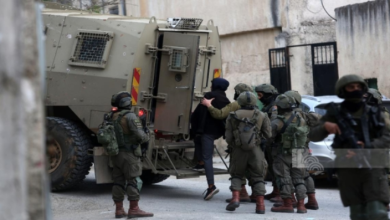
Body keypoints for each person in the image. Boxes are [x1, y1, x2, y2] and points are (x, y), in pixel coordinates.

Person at [309, 74, 390, 220]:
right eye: (351, 87)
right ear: (342, 90)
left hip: (373, 165)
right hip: (348, 167)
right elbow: (313, 135)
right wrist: (325, 127)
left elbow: (387, 137)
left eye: (359, 87)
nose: (355, 90)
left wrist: (368, 146)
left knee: (378, 213)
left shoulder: (375, 113)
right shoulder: (334, 113)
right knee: (358, 214)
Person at [201, 83, 258, 203]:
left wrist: (208, 105)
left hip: (238, 144)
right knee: (254, 170)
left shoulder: (236, 105)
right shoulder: (256, 108)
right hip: (254, 144)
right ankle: (258, 198)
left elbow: (220, 114)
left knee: (237, 169)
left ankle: (241, 195)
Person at [225, 92, 272, 214]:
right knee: (258, 176)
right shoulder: (262, 115)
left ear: (239, 102)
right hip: (256, 151)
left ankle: (235, 198)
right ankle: (260, 206)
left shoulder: (232, 115)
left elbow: (228, 138)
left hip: (238, 150)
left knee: (236, 174)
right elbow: (268, 134)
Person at [109, 91, 153, 219]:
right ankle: (134, 209)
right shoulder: (130, 116)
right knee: (132, 180)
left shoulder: (112, 116)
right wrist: (146, 136)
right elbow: (140, 136)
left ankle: (119, 210)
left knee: (118, 181)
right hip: (129, 154)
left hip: (115, 153)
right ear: (127, 103)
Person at [190, 78, 230, 200]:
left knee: (208, 157)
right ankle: (200, 162)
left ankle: (211, 187)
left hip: (206, 131)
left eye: (212, 84)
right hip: (217, 131)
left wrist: (193, 120)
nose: (211, 86)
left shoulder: (209, 96)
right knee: (198, 141)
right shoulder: (226, 99)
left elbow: (198, 114)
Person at [269, 94, 308, 214]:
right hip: (299, 153)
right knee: (299, 179)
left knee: (284, 178)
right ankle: (301, 206)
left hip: (283, 154)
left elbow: (269, 138)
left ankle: (287, 204)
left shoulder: (276, 121)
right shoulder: (300, 119)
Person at [284, 90, 321, 210]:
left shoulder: (285, 116)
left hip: (287, 150)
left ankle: (292, 200)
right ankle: (312, 200)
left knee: (288, 175)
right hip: (302, 148)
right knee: (304, 175)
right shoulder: (307, 115)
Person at [255, 84, 281, 203]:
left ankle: (281, 193)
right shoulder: (268, 106)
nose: (259, 98)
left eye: (260, 95)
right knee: (272, 167)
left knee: (278, 168)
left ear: (268, 95)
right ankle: (276, 191)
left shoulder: (274, 107)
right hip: (269, 141)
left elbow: (273, 124)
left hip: (274, 142)